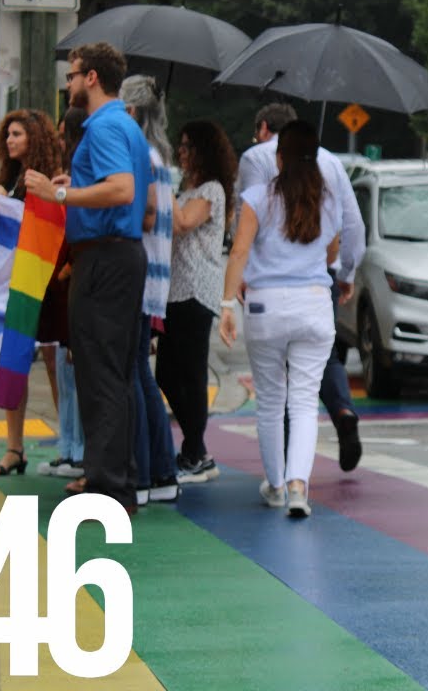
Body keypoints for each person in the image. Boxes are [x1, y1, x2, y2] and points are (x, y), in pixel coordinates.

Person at [24, 42, 151, 515]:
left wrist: (59, 196)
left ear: (92, 78)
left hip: (105, 259)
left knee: (100, 373)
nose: (69, 84)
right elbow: (136, 194)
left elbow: (121, 189)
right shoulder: (126, 125)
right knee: (113, 374)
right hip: (118, 256)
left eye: (74, 75)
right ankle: (118, 480)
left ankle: (110, 485)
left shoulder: (104, 126)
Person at [220, 120, 344, 518]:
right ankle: (297, 487)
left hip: (265, 306)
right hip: (313, 304)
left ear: (278, 157)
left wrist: (226, 304)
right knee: (305, 403)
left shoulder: (257, 197)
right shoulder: (329, 200)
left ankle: (274, 484)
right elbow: (331, 253)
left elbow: (239, 252)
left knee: (271, 401)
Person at [239, 103, 366, 472]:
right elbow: (353, 226)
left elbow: (245, 225)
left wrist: (242, 278)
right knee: (321, 362)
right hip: (317, 279)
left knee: (275, 376)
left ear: (265, 129)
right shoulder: (332, 163)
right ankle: (342, 410)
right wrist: (346, 273)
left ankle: (281, 465)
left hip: (269, 283)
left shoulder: (254, 159)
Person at [0, 109, 64, 477]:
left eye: (17, 134)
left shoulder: (45, 179)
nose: (10, 140)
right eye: (8, 135)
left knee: (53, 360)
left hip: (45, 279)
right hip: (13, 283)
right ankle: (14, 447)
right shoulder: (11, 177)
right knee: (13, 358)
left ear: (35, 137)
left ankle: (69, 439)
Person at [159, 120, 238, 484]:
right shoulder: (186, 187)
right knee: (166, 373)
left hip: (196, 289)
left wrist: (158, 185)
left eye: (189, 146)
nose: (182, 151)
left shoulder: (212, 190)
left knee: (190, 374)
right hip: (175, 289)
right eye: (181, 144)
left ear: (204, 151)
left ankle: (195, 452)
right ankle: (195, 448)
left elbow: (183, 223)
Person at [121, 75, 180, 505]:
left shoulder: (139, 154)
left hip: (136, 273)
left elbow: (143, 214)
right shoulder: (160, 154)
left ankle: (141, 475)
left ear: (134, 112)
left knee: (133, 374)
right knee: (141, 372)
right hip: (155, 274)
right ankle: (161, 472)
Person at [37, 106, 87, 480]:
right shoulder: (74, 177)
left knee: (76, 372)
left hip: (76, 282)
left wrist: (68, 268)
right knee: (66, 372)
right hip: (66, 283)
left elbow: (80, 224)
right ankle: (70, 447)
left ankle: (79, 450)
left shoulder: (80, 178)